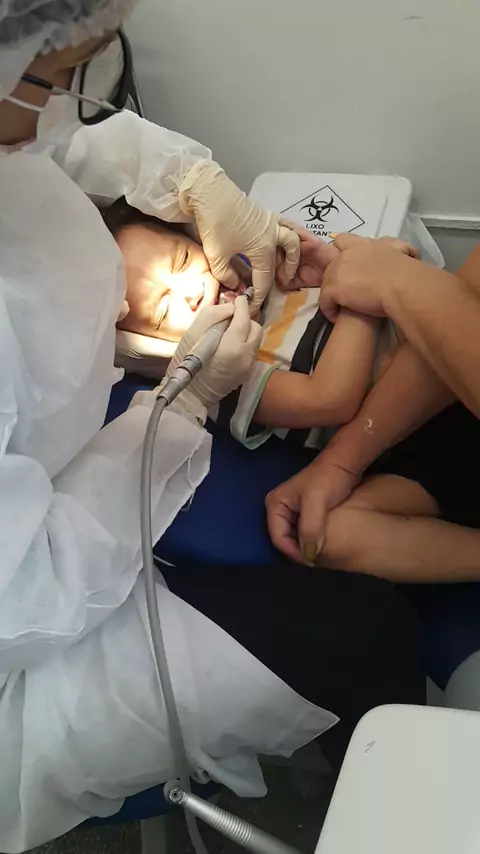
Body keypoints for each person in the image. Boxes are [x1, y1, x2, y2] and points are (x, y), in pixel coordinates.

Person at [0, 2, 425, 849]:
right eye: (56, 76)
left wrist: (190, 180)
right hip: (27, 636)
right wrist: (190, 403)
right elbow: (30, 597)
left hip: (68, 485)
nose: (77, 98)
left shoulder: (24, 116)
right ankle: (385, 782)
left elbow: (56, 133)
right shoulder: (229, 375)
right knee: (360, 619)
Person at [267, 233, 480, 581]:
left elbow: (331, 397)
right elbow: (455, 327)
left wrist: (388, 286)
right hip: (429, 439)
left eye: (183, 258)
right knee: (322, 532)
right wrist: (341, 462)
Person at [107, 200, 403, 449]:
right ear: (149, 344)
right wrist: (365, 290)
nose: (192, 292)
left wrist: (334, 263)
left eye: (183, 259)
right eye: (163, 312)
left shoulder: (268, 270)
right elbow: (330, 400)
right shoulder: (223, 378)